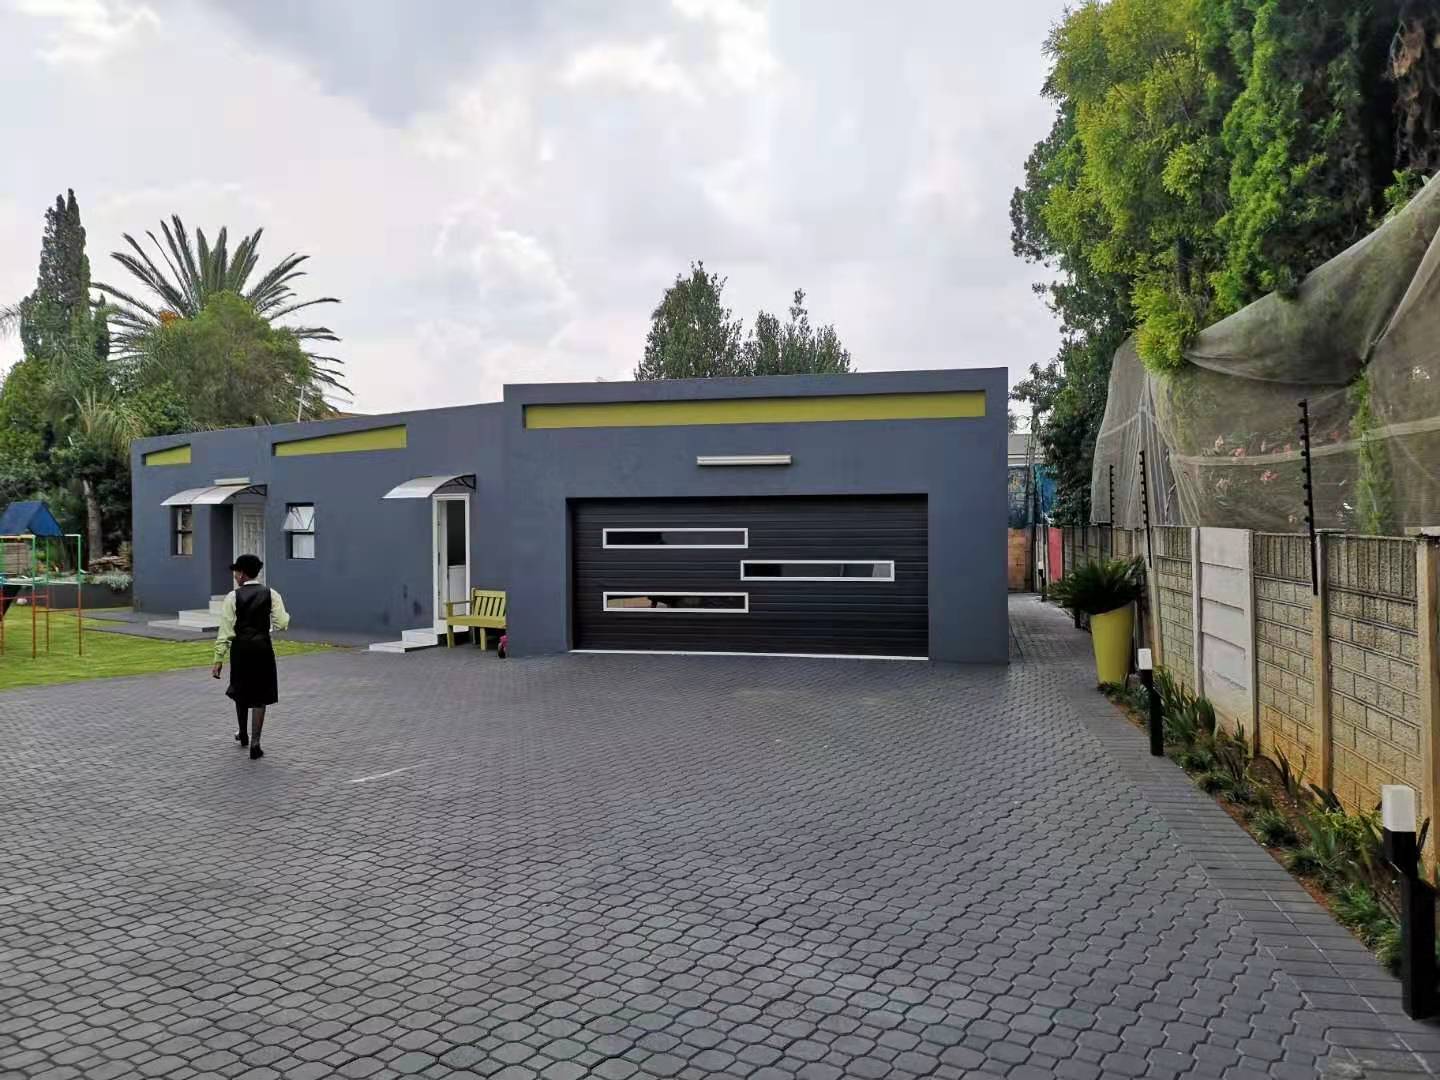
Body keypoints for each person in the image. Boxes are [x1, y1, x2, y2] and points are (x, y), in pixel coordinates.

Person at [211, 554, 290, 759]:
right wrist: (270, 626)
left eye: (236, 572)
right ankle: (256, 743)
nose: (235, 575)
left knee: (240, 690)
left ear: (242, 574)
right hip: (263, 648)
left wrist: (218, 659)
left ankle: (243, 733)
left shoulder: (232, 597)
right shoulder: (271, 594)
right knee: (260, 695)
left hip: (241, 650)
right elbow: (282, 623)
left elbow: (225, 631)